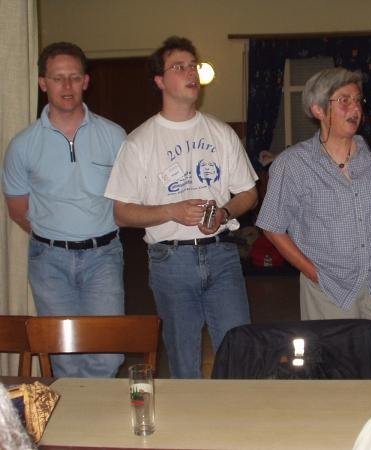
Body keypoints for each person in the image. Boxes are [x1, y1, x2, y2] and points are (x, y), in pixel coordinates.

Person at [105, 36, 258, 379]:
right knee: (183, 362)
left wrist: (225, 213)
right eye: (179, 67)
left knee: (240, 354)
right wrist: (170, 211)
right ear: (159, 81)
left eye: (193, 66)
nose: (190, 72)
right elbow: (121, 212)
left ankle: (238, 414)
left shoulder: (221, 133)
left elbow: (249, 193)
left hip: (222, 256)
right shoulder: (139, 141)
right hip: (170, 261)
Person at [256, 67, 371, 333]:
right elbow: (272, 227)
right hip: (328, 291)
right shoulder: (293, 164)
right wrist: (314, 274)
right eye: (344, 100)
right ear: (318, 110)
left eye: (358, 100)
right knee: (336, 358)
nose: (355, 108)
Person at [2, 42, 126, 377]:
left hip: (103, 258)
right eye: (58, 78)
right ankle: (77, 412)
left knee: (108, 354)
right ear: (43, 83)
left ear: (86, 81)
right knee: (64, 357)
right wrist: (57, 233)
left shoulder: (115, 136)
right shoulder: (23, 145)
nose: (67, 86)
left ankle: (96, 410)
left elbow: (127, 199)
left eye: (74, 77)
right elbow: (17, 209)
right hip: (49, 261)